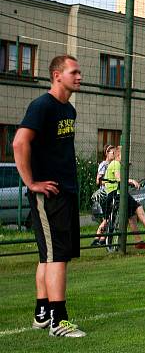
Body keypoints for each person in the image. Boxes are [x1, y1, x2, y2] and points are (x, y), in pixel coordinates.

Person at [12, 55, 86, 337]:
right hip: (49, 193)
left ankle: (42, 314)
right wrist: (31, 182)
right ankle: (59, 320)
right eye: (74, 72)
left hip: (65, 190)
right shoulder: (42, 106)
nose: (79, 76)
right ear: (57, 75)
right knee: (56, 257)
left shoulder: (69, 110)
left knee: (50, 256)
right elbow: (19, 142)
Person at [104, 146, 145, 249]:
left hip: (115, 193)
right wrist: (131, 181)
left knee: (132, 216)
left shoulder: (114, 164)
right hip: (118, 194)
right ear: (119, 155)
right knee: (138, 206)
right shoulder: (115, 164)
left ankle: (138, 242)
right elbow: (118, 179)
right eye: (126, 155)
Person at [90, 145, 115, 246]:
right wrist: (109, 181)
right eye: (112, 153)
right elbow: (98, 180)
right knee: (107, 218)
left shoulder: (113, 164)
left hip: (110, 193)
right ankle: (98, 238)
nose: (114, 155)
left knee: (108, 218)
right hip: (105, 194)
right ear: (107, 153)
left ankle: (101, 239)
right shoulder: (104, 164)